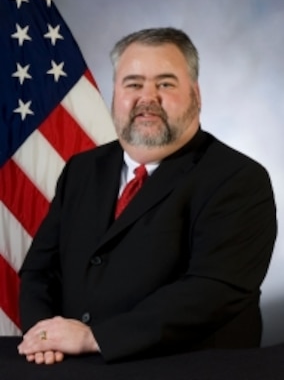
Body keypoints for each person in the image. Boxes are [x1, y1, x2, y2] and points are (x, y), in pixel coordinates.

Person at [17, 27, 277, 365]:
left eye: (165, 84)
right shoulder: (82, 170)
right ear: (116, 94)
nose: (147, 97)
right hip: (75, 367)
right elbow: (40, 270)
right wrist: (44, 334)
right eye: (134, 83)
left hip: (189, 369)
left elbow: (213, 291)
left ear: (196, 95)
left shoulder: (239, 179)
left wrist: (96, 338)